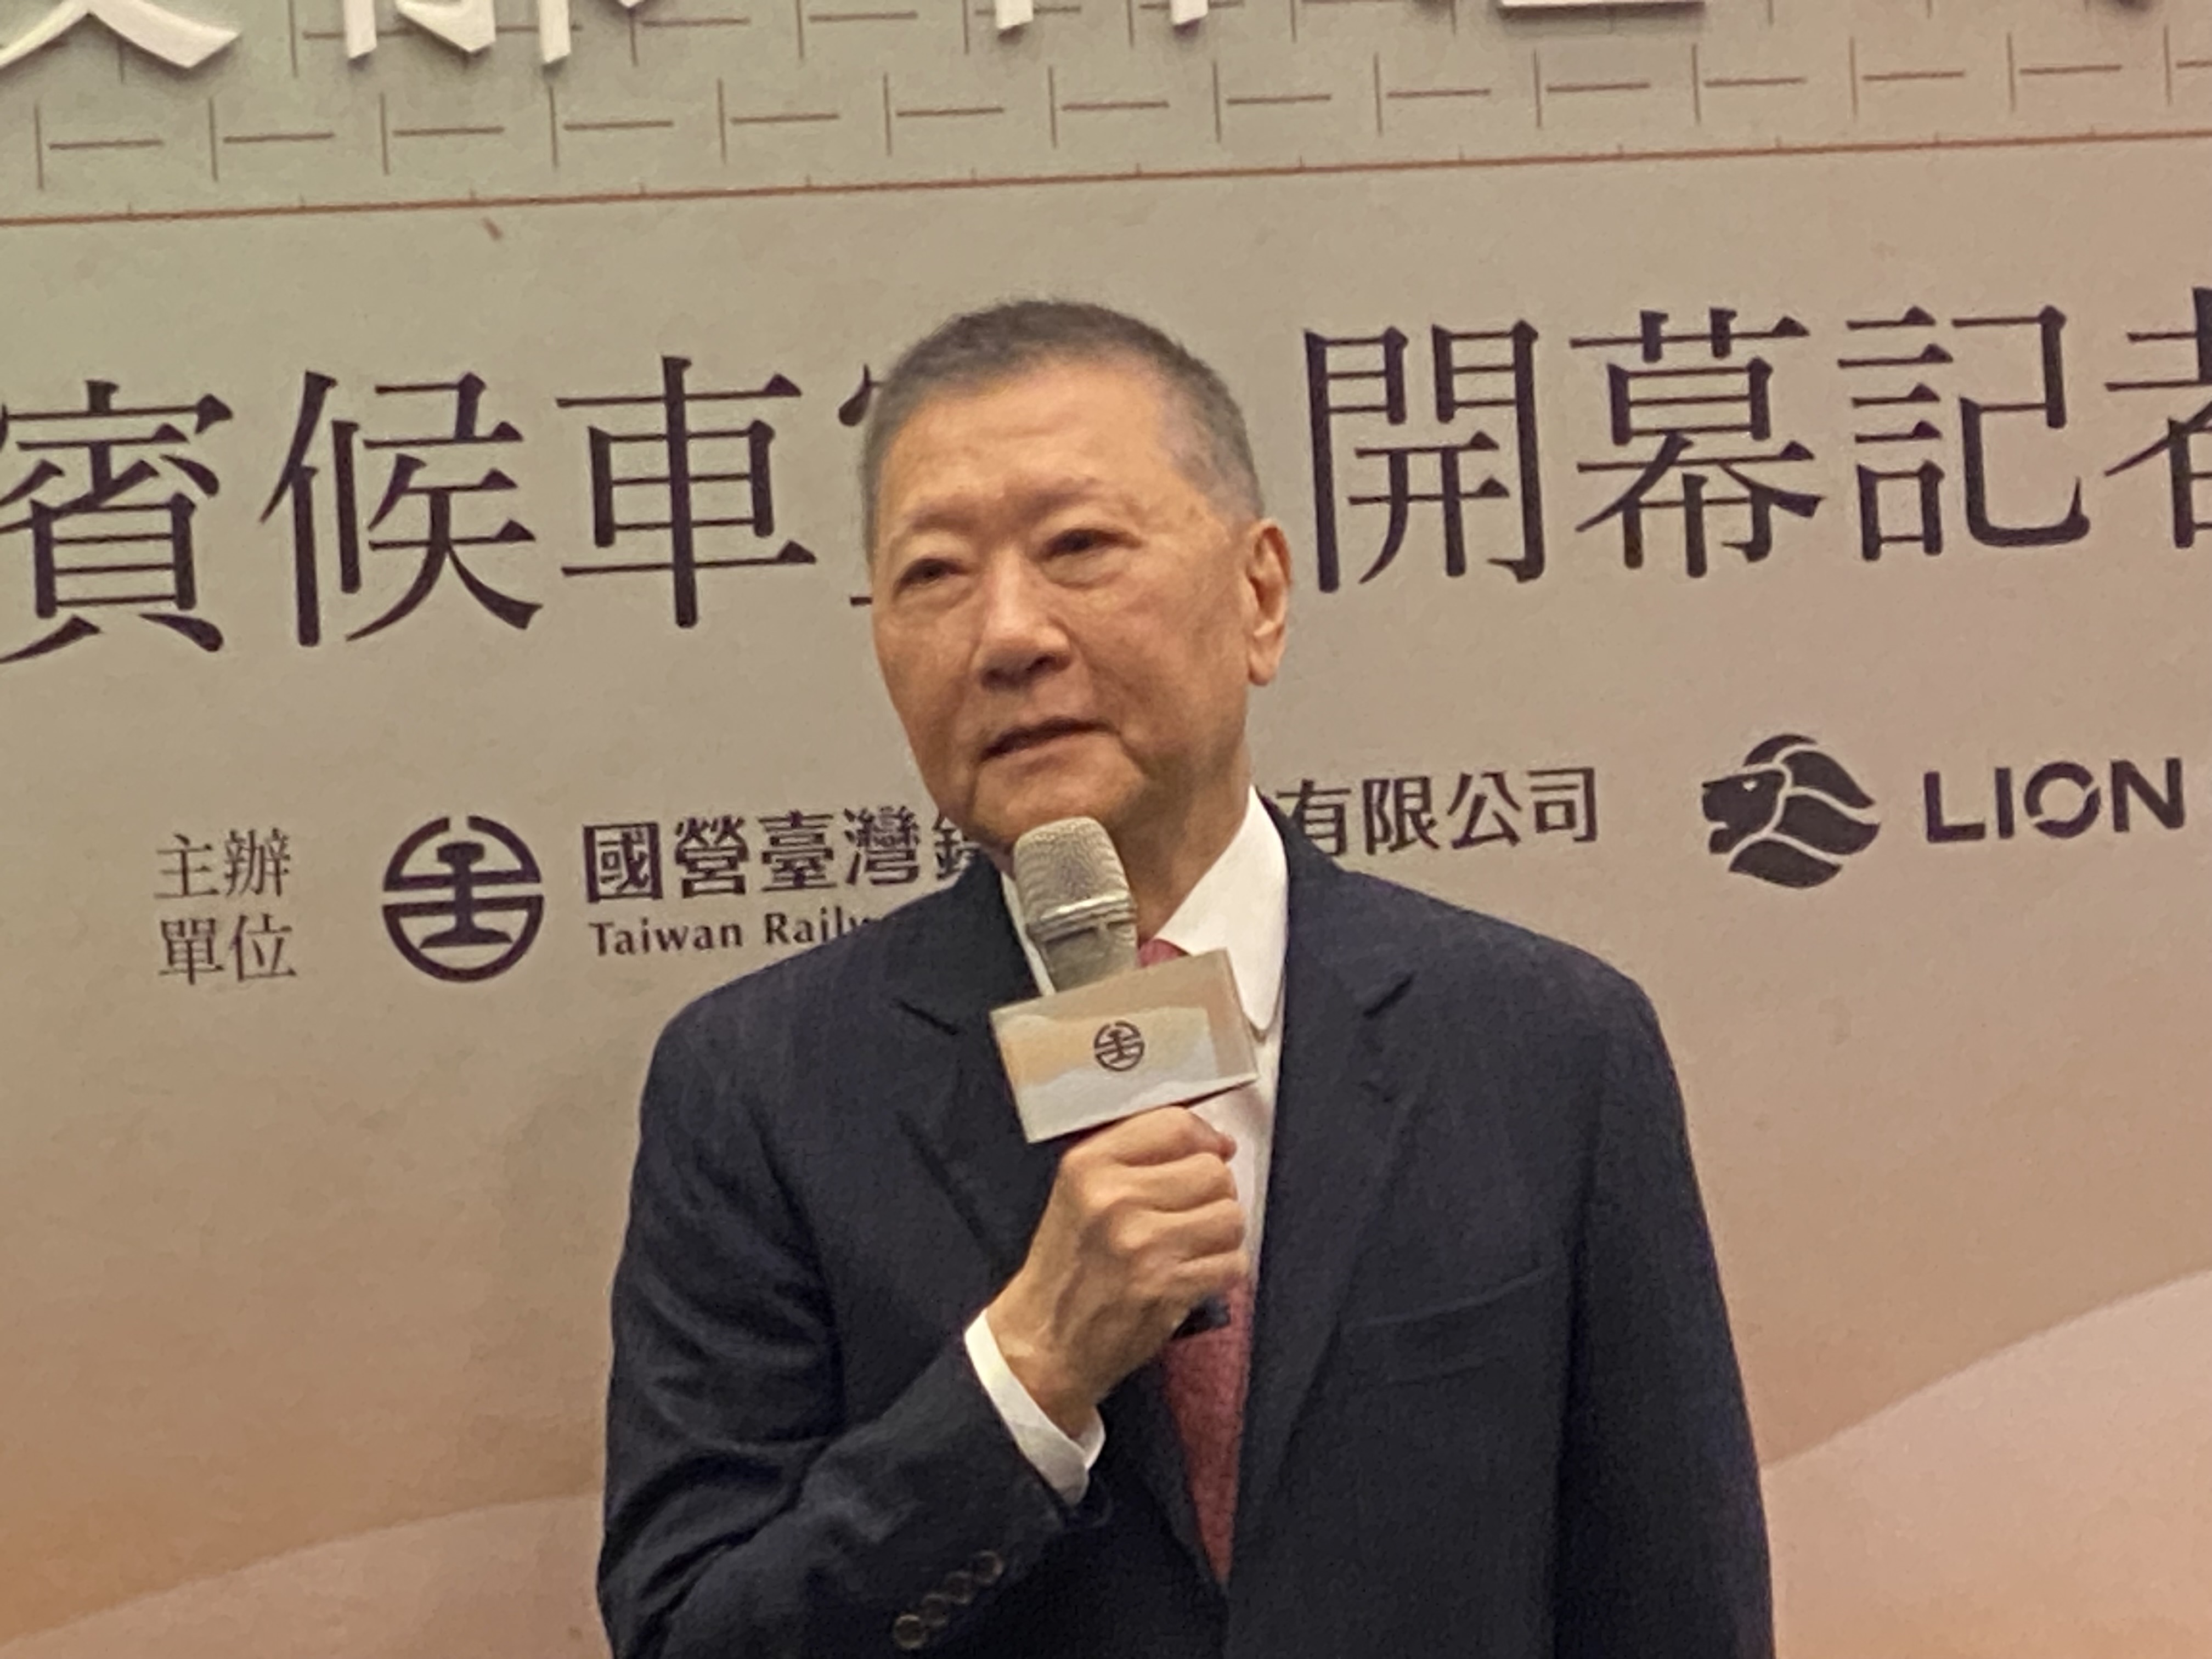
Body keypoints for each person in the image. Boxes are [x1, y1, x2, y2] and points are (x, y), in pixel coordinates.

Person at [598, 300, 1772, 1659]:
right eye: (934, 575)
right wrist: (1027, 1374)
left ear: (1259, 594)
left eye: (1079, 547)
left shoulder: (1547, 1047)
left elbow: (1676, 1606)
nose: (1009, 634)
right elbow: (689, 1635)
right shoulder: (761, 1089)